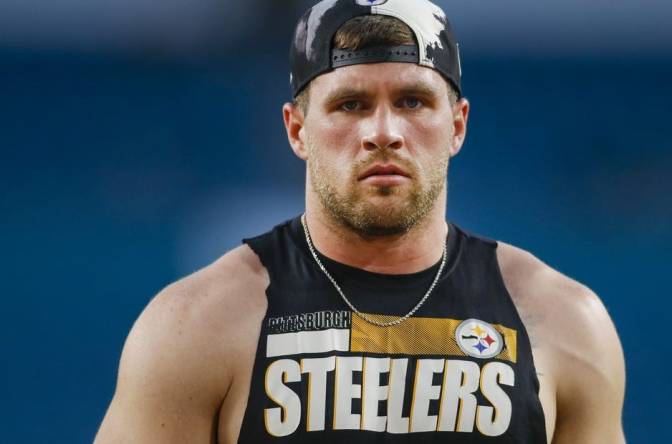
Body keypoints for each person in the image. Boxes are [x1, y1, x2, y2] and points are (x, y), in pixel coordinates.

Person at [95, 0, 626, 443]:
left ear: (458, 126)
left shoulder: (560, 321)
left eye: (413, 101)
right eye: (350, 104)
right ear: (297, 130)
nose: (383, 132)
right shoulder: (197, 325)